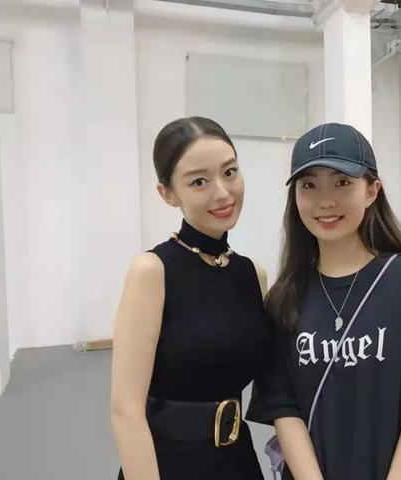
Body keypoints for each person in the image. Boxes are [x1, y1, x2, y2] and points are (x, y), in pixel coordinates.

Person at [247, 122, 401, 480]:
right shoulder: (284, 299)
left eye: (342, 182)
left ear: (372, 190)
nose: (326, 200)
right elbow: (284, 408)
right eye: (309, 185)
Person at [111, 117, 271, 480]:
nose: (223, 192)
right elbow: (126, 411)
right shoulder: (152, 272)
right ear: (168, 194)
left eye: (229, 172)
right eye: (199, 181)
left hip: (239, 463)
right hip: (168, 464)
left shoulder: (252, 275)